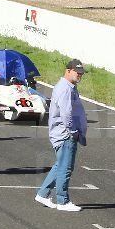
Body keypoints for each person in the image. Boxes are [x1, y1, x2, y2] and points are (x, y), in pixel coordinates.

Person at [35, 59, 88, 212]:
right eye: (77, 72)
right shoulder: (65, 89)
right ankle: (62, 201)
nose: (79, 75)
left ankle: (43, 193)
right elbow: (66, 114)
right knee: (65, 168)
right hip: (65, 135)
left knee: (60, 165)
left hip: (63, 133)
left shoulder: (68, 87)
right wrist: (73, 132)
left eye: (81, 73)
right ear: (68, 71)